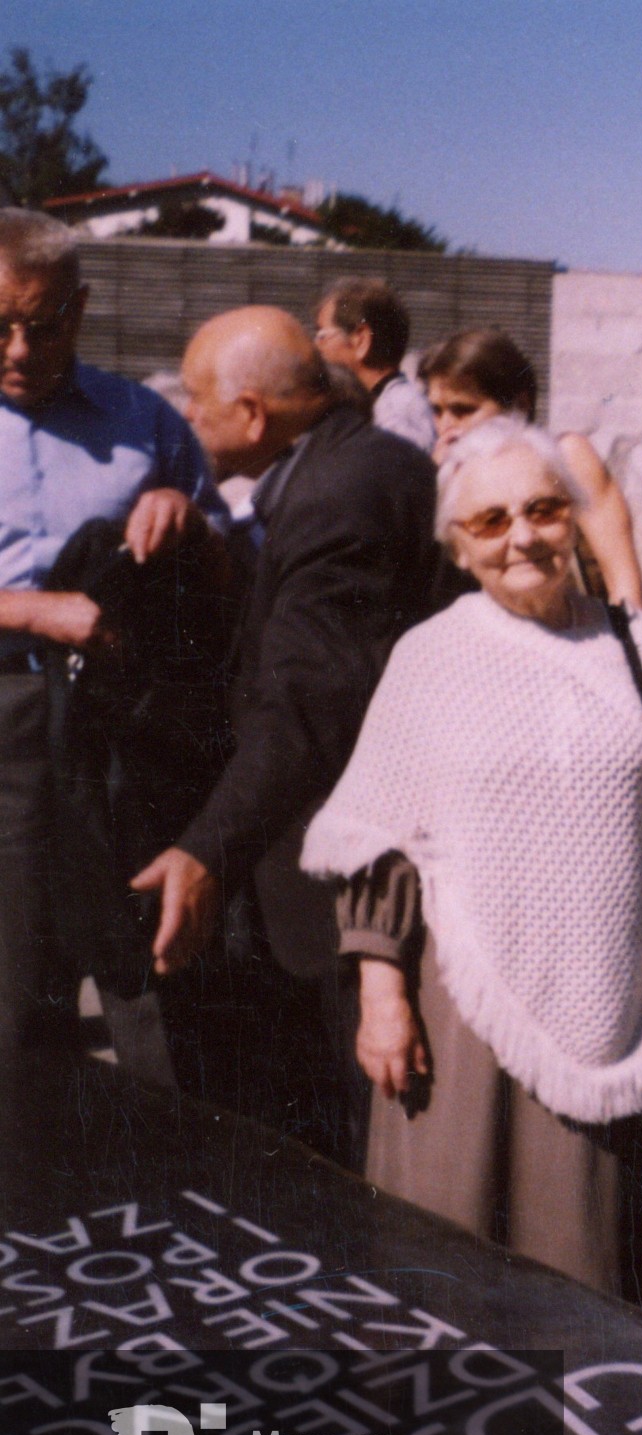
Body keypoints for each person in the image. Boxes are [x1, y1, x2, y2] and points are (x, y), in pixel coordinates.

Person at [301, 417, 642, 1290]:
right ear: (457, 548)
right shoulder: (429, 657)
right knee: (450, 1246)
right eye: (490, 521)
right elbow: (376, 836)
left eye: (542, 510)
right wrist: (382, 996)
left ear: (575, 517)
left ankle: (591, 1413)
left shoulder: (641, 648)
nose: (523, 538)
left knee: (585, 1248)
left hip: (616, 995)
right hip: (463, 1014)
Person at [135, 306, 443, 1164]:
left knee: (343, 1140)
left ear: (251, 414)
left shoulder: (341, 498)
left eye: (198, 402)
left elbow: (309, 702)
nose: (188, 418)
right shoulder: (341, 467)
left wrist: (208, 850)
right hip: (317, 865)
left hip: (342, 881)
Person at [0, 207, 229, 1072]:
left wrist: (191, 521)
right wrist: (31, 610)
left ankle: (163, 1185)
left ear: (82, 309)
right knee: (15, 992)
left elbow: (227, 579)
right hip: (10, 720)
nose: (20, 350)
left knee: (148, 979)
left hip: (126, 723)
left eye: (43, 324)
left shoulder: (147, 421)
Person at [418, 326, 642, 606]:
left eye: (464, 410)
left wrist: (630, 643)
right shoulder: (441, 471)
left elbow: (623, 580)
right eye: (437, 412)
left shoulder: (567, 457)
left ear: (519, 405)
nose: (446, 427)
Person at [314, 277, 437, 453]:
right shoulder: (385, 406)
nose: (316, 347)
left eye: (322, 335)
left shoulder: (394, 419)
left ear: (360, 340)